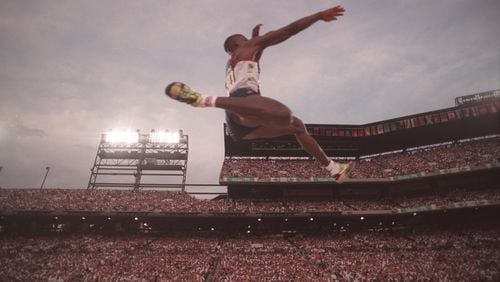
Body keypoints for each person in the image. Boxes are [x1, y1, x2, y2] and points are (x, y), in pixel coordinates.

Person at [166, 5, 353, 182]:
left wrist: (255, 39)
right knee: (282, 113)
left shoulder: (234, 60)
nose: (252, 41)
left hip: (240, 123)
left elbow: (253, 57)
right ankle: (203, 100)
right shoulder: (249, 47)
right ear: (238, 43)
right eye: (246, 39)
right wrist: (319, 15)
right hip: (243, 102)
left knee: (296, 125)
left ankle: (334, 170)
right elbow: (289, 30)